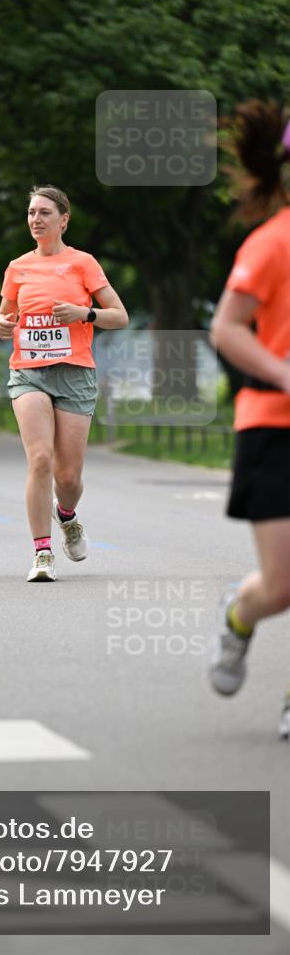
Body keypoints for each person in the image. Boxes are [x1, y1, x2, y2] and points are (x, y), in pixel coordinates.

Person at [0, 185, 128, 582]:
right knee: (40, 460)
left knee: (68, 478)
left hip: (75, 373)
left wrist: (83, 313)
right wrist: (2, 324)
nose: (36, 219)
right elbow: (4, 317)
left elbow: (119, 316)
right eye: (31, 212)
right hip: (29, 372)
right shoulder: (17, 267)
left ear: (63, 220)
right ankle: (42, 553)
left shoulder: (83, 263)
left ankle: (66, 515)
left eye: (45, 213)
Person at [208, 102, 290, 740]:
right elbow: (227, 329)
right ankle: (241, 615)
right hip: (274, 424)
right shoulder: (272, 242)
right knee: (281, 586)